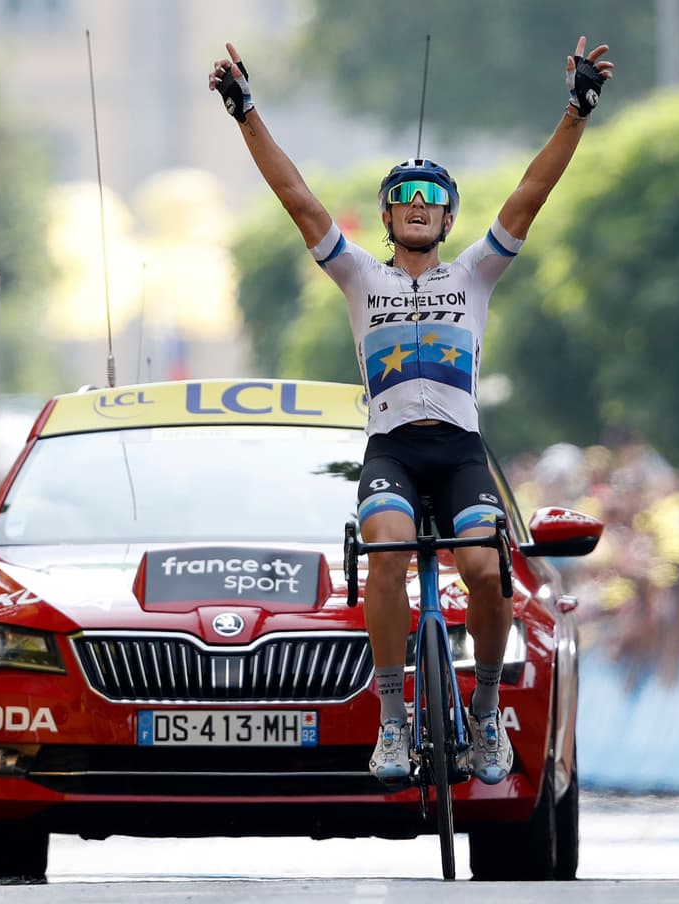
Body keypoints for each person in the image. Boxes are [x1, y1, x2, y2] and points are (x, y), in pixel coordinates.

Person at [210, 37, 614, 783]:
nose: (420, 206)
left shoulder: (476, 274)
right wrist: (246, 113)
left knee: (486, 570)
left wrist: (577, 111)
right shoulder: (360, 276)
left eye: (432, 198)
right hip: (392, 451)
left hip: (460, 453)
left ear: (449, 217)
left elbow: (531, 192)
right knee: (388, 552)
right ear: (388, 216)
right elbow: (298, 198)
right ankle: (393, 720)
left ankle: (485, 712)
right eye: (406, 198)